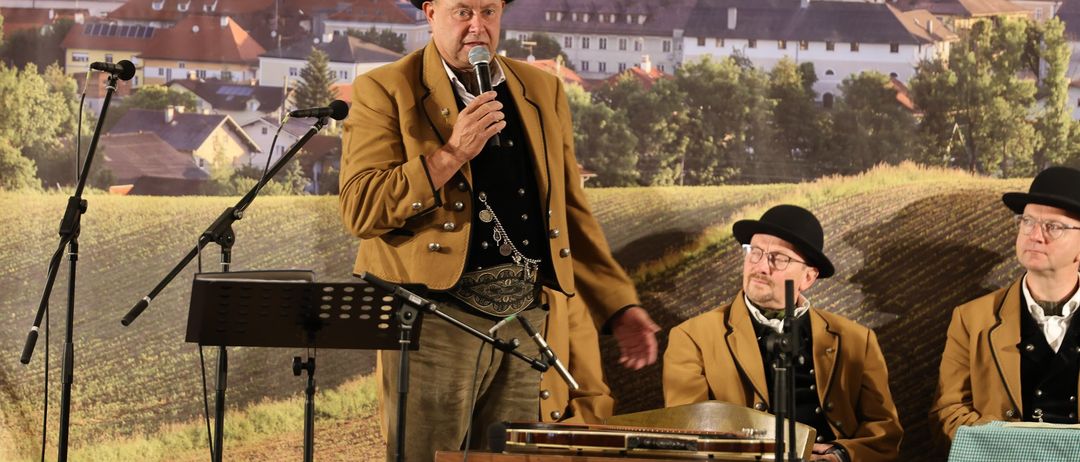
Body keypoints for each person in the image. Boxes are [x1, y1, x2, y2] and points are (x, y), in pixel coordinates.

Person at [338, 0, 660, 459]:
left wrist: (618, 305)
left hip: (526, 324)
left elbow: (568, 211)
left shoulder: (541, 88)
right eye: (462, 12)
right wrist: (452, 153)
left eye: (488, 11)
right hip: (435, 322)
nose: (477, 26)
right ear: (430, 13)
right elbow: (360, 209)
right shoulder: (384, 89)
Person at [663, 205, 903, 462]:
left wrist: (840, 456)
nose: (761, 267)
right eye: (755, 252)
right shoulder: (691, 338)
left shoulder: (858, 340)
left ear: (808, 277)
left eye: (779, 258)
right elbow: (690, 435)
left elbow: (885, 432)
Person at [931, 166, 1080, 445]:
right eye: (1028, 222)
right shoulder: (970, 319)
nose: (1035, 235)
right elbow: (949, 412)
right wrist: (1014, 447)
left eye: (1053, 227)